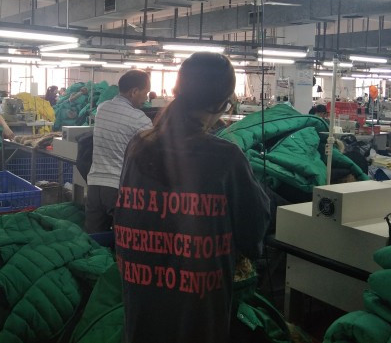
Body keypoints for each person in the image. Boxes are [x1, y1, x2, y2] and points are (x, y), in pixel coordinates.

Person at [114, 53, 270, 343]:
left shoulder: (138, 146)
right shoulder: (227, 158)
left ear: (178, 91)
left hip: (141, 306)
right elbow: (253, 230)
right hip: (198, 315)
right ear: (221, 104)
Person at [85, 70, 152, 233]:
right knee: (122, 238)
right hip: (117, 188)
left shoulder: (102, 108)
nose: (146, 99)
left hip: (94, 184)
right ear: (134, 91)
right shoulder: (139, 119)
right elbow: (153, 151)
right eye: (146, 93)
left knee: (93, 238)